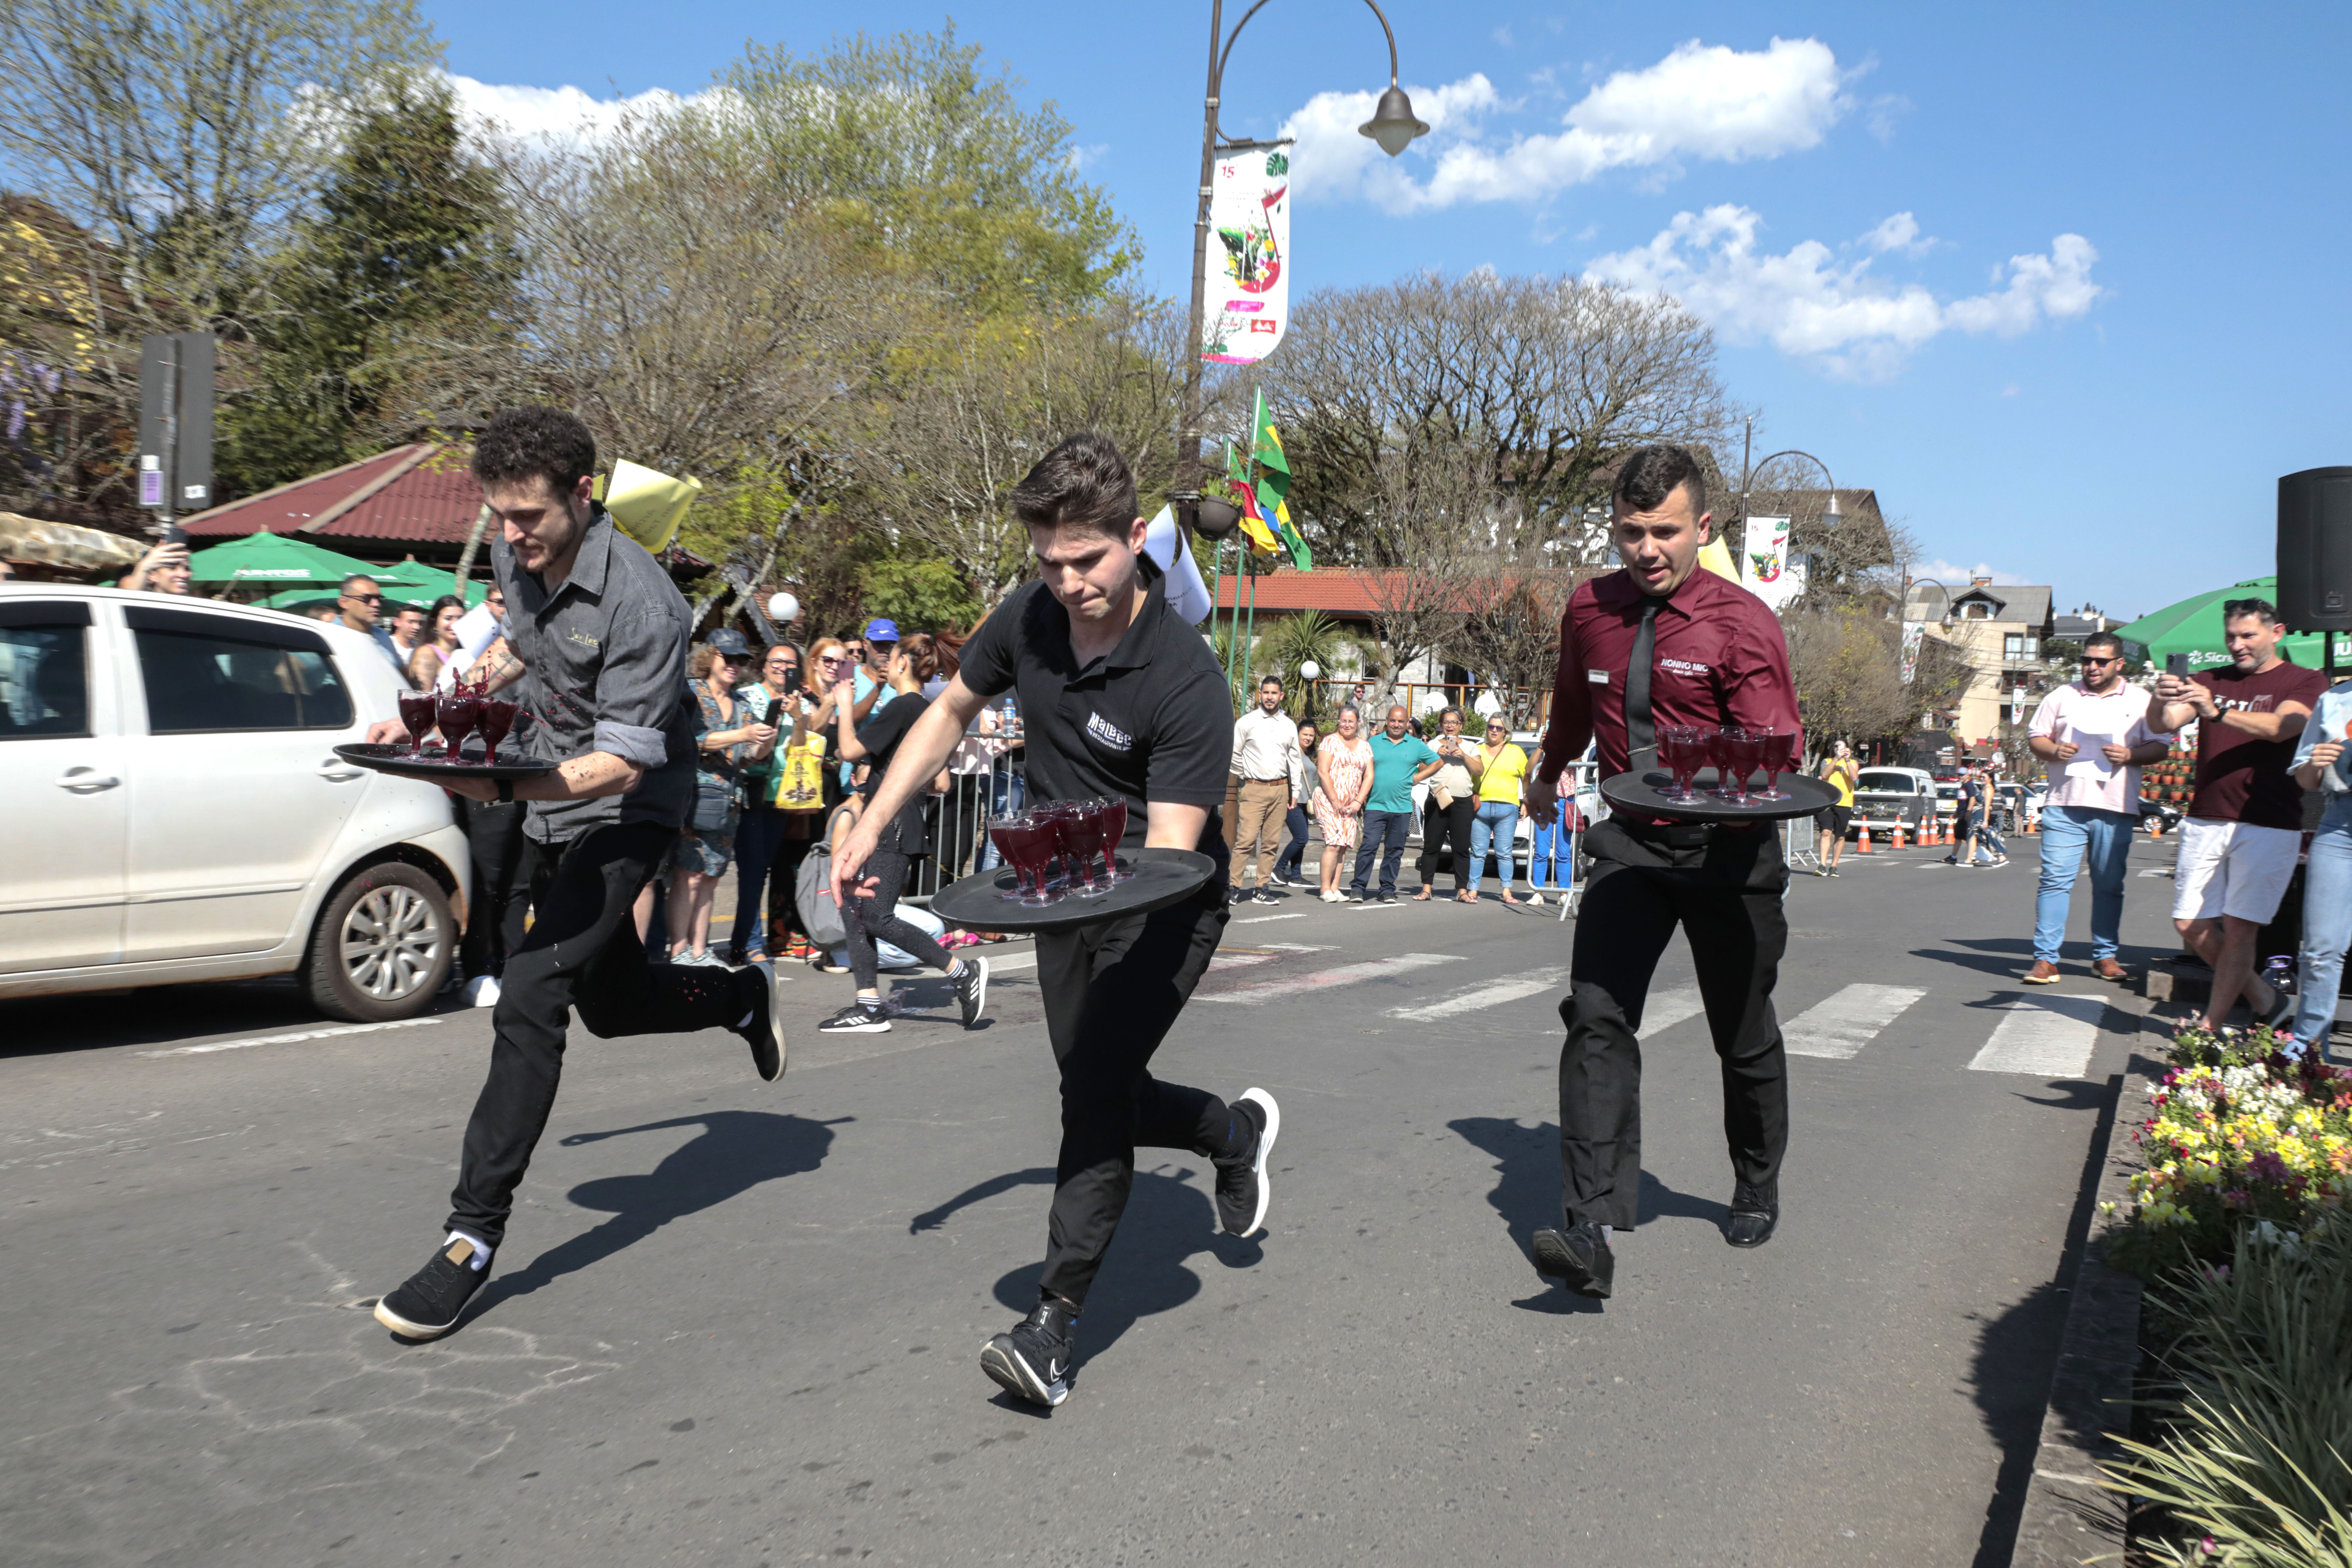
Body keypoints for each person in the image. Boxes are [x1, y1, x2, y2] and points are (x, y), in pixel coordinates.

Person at [831, 431, 1278, 1408]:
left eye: (1089, 561)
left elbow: (1164, 859)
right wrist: (873, 816)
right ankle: (1229, 1132)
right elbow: (951, 711)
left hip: (1160, 903)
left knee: (1093, 1095)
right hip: (1063, 896)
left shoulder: (1185, 679)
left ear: (1134, 540)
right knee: (1097, 1083)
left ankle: (1054, 1325)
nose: (1070, 583)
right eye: (1051, 563)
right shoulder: (1030, 615)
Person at [365, 407, 788, 1342]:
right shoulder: (520, 557)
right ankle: (737, 999)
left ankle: (470, 1238)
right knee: (611, 1002)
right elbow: (520, 646)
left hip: (628, 808)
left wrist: (496, 781)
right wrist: (439, 707)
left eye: (530, 519)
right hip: (552, 796)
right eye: (501, 517)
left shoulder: (646, 603)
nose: (512, 538)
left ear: (583, 496)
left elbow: (628, 760)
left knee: (532, 993)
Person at [1521, 443, 1804, 1300]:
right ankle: (1590, 1227)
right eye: (1632, 532)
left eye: (1667, 532)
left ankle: (1756, 1179)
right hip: (1633, 848)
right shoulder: (1589, 608)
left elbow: (1775, 747)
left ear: (1703, 528)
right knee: (1595, 1019)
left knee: (1742, 1029)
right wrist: (1545, 772)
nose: (1647, 551)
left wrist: (1720, 780)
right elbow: (1575, 703)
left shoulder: (1743, 621)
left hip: (1728, 852)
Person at [2151, 600, 2326, 1030]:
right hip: (2207, 817)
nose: (2237, 645)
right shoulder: (2210, 679)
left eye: (2248, 635)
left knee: (2241, 928)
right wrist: (2157, 702)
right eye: (2231, 636)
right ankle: (2265, 996)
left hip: (2269, 820)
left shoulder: (2305, 680)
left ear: (2277, 632)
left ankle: (2211, 1024)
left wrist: (2221, 712)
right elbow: (2164, 723)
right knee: (2188, 922)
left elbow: (2285, 728)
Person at [819, 634, 988, 1034]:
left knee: (873, 914)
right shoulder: (927, 710)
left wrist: (844, 707)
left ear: (901, 665)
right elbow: (943, 783)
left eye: (889, 657)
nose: (883, 664)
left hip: (889, 827)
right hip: (899, 824)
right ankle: (869, 1004)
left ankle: (961, 972)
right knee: (856, 907)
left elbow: (848, 750)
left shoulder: (901, 706)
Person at [2024, 630, 2169, 986]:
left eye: (2101, 661)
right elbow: (2036, 737)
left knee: (2109, 884)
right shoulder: (2061, 695)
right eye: (2087, 660)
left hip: (2115, 805)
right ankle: (2045, 960)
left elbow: (2161, 746)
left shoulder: (2140, 699)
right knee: (2055, 881)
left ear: (2120, 663)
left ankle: (2105, 956)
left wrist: (2132, 755)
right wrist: (2053, 751)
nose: (2092, 667)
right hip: (2065, 803)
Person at [668, 631, 775, 966]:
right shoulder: (691, 692)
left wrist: (767, 736)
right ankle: (679, 949)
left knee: (712, 877)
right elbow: (692, 741)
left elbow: (750, 756)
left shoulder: (742, 704)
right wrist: (743, 734)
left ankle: (700, 951)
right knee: (690, 875)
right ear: (709, 657)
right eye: (728, 657)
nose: (735, 665)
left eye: (742, 659)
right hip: (695, 798)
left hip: (728, 802)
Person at [727, 640, 811, 964]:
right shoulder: (747, 696)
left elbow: (802, 747)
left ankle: (744, 940)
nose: (783, 669)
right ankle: (749, 944)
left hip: (779, 794)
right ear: (763, 665)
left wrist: (797, 715)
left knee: (761, 869)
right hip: (750, 789)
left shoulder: (797, 702)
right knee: (751, 871)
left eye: (791, 665)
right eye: (776, 662)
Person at [2290, 678, 2352, 1049]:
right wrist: (2315, 763)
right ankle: (2306, 1052)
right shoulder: (2334, 699)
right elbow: (2305, 778)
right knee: (2319, 949)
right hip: (2340, 826)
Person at [1349, 705, 1441, 903]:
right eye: (1393, 721)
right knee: (1369, 846)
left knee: (1394, 850)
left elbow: (1438, 762)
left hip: (1402, 808)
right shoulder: (1373, 742)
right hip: (1375, 805)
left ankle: (1387, 890)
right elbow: (1361, 768)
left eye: (1401, 721)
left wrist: (1418, 777)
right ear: (1387, 722)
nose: (1397, 725)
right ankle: (1358, 888)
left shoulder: (1415, 745)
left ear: (1407, 723)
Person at [1229, 673, 1301, 904]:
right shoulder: (1247, 722)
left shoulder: (1289, 725)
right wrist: (1245, 777)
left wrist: (1295, 792)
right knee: (1246, 840)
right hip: (1254, 789)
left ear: (1281, 696)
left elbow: (1295, 760)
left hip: (1281, 790)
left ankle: (1262, 887)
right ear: (1260, 694)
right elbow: (1235, 754)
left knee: (1271, 843)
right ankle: (1233, 886)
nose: (1270, 698)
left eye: (1274, 693)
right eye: (1266, 693)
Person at [1415, 707, 1482, 903]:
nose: (1450, 726)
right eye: (1446, 723)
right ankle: (1427, 888)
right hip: (1438, 799)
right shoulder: (1433, 744)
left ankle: (1462, 890)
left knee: (1461, 848)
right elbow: (1422, 768)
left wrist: (1463, 756)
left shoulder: (1470, 746)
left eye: (1454, 723)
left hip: (1462, 802)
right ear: (1441, 725)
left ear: (1461, 725)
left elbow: (1479, 770)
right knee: (1431, 845)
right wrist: (1437, 754)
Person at [1468, 715, 1528, 905]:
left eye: (1499, 728)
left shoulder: (1516, 752)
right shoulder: (1476, 750)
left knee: (1504, 852)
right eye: (1491, 727)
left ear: (1506, 732)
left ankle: (1507, 891)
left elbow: (1526, 778)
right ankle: (1473, 890)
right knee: (1478, 852)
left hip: (1507, 808)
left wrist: (1526, 802)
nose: (1494, 730)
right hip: (1480, 807)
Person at [1315, 706, 1371, 903]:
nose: (1347, 725)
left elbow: (1369, 776)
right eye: (1343, 721)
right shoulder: (1329, 741)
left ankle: (1335, 887)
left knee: (1344, 847)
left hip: (1351, 804)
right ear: (1339, 721)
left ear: (1358, 723)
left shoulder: (1365, 746)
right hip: (1328, 800)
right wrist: (1335, 800)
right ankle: (1325, 889)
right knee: (1333, 843)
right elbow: (1323, 772)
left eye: (1351, 721)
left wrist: (1358, 801)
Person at [1273, 719, 1320, 886]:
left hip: (1303, 803)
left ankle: (1296, 876)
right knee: (1302, 838)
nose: (1308, 738)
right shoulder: (1292, 753)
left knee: (1301, 839)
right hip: (1292, 801)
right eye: (1305, 734)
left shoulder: (1306, 754)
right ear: (1297, 734)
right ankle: (1279, 869)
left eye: (1312, 736)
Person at [1814, 739, 1858, 876]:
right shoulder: (1827, 761)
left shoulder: (1853, 763)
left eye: (1842, 746)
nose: (1838, 748)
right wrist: (1836, 759)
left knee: (1840, 835)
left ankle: (1834, 866)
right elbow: (1825, 774)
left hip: (1845, 802)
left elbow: (1854, 777)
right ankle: (1822, 865)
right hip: (1828, 801)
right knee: (1826, 832)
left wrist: (1848, 760)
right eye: (1836, 746)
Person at [406, 594, 466, 691]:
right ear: (435, 623)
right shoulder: (427, 654)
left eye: (460, 618)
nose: (455, 623)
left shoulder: (466, 654)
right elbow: (423, 698)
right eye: (448, 618)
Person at [120, 537, 192, 594]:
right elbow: (131, 601)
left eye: (187, 569)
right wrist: (144, 568)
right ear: (153, 575)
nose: (183, 575)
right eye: (172, 568)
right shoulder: (146, 609)